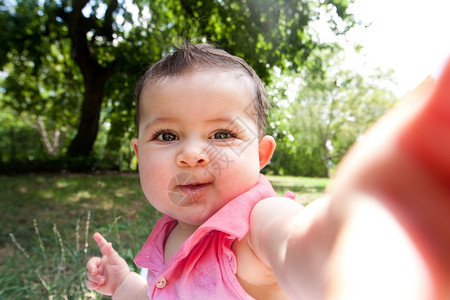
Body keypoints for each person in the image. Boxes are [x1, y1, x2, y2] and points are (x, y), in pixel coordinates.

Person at [86, 42, 450, 300]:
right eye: (167, 135)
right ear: (138, 154)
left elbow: (297, 242)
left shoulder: (256, 224)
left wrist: (345, 237)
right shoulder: (168, 234)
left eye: (222, 134)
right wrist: (123, 286)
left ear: (261, 154)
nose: (192, 154)